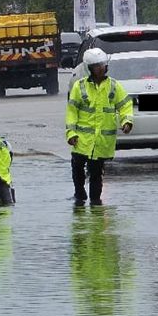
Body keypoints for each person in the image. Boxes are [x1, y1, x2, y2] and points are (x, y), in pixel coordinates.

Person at [65, 48, 133, 204]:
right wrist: (71, 134)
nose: (101, 68)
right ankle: (80, 195)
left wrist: (126, 121)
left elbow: (125, 105)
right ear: (89, 68)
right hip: (81, 140)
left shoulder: (114, 86)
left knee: (96, 173)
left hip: (101, 141)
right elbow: (72, 112)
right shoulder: (79, 87)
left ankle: (95, 202)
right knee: (77, 168)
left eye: (102, 65)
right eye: (97, 66)